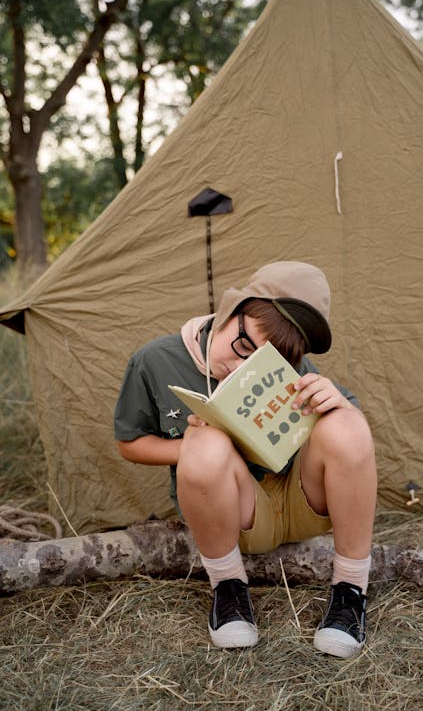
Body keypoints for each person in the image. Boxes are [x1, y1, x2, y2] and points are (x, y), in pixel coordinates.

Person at [114, 261, 377, 658]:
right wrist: (205, 443)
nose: (241, 369)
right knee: (204, 442)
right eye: (243, 348)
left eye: (263, 363)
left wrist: (337, 404)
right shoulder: (155, 360)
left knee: (350, 423)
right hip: (233, 513)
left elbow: (351, 443)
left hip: (302, 501)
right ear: (231, 309)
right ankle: (228, 589)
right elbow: (130, 444)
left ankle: (350, 592)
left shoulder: (296, 368)